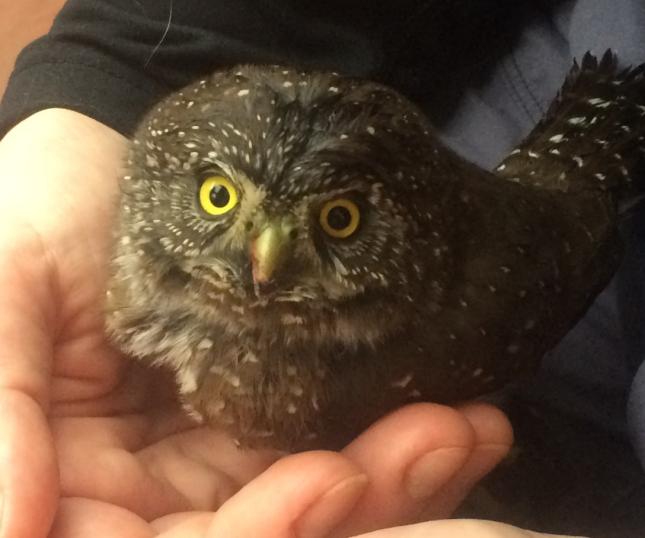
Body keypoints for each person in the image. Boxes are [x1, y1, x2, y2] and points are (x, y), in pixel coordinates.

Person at [0, 1, 643, 537]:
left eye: (338, 220)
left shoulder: (427, 325)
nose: (266, 258)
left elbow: (569, 244)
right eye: (219, 199)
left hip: (558, 256)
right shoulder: (145, 237)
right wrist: (105, 83)